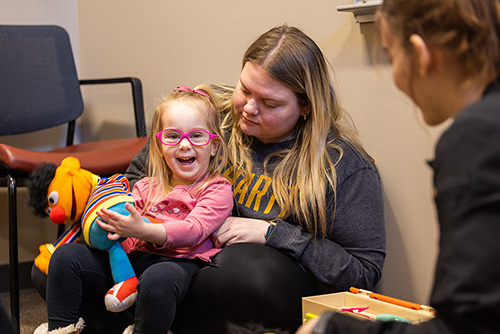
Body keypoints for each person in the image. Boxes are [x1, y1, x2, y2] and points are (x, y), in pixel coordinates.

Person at [125, 24, 386, 334]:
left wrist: (272, 233)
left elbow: (363, 273)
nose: (248, 108)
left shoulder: (344, 167)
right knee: (74, 262)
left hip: (256, 285)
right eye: (245, 89)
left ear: (306, 106)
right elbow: (137, 176)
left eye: (270, 103)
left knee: (245, 272)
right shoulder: (208, 116)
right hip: (170, 261)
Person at [296, 1, 500, 333]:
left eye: (391, 59)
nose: (396, 81)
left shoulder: (476, 138)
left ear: (420, 54)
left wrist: (330, 328)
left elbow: (469, 325)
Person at [33, 84, 233, 334]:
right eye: (173, 136)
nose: (184, 145)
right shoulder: (145, 186)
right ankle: (61, 329)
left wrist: (142, 229)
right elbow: (123, 220)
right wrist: (106, 222)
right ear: (159, 146)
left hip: (178, 263)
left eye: (196, 136)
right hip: (128, 264)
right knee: (64, 257)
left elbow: (194, 230)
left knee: (157, 279)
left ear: (214, 146)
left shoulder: (217, 188)